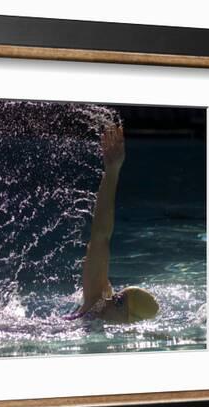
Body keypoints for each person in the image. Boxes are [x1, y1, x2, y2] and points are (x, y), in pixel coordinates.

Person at [64, 125, 159, 323]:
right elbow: (100, 236)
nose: (109, 301)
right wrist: (112, 171)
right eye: (116, 297)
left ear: (129, 320)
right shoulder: (95, 305)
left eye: (118, 302)